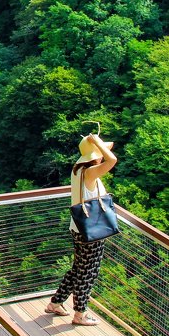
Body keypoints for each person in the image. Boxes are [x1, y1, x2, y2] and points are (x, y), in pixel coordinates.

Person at [45, 133, 117, 326]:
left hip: (78, 227)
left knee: (79, 268)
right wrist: (97, 144)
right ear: (95, 157)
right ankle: (80, 314)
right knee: (89, 272)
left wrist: (95, 143)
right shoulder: (90, 172)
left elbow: (107, 154)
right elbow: (112, 159)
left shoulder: (77, 170)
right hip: (91, 231)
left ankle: (56, 302)